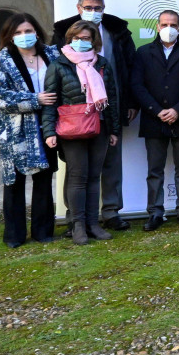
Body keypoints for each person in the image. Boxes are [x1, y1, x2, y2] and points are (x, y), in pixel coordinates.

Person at [51, 0, 136, 231]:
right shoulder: (63, 33)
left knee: (111, 161)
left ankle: (110, 212)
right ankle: (74, 217)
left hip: (109, 107)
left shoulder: (117, 31)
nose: (94, 12)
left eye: (98, 8)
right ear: (79, 8)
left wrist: (130, 102)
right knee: (77, 169)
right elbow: (54, 72)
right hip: (74, 111)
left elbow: (129, 68)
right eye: (88, 7)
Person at [42, 20, 121, 245]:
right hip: (71, 129)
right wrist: (49, 131)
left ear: (94, 41)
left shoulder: (103, 63)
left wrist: (114, 130)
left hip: (101, 126)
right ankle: (77, 226)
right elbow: (50, 102)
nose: (81, 42)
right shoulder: (58, 65)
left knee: (95, 176)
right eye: (77, 38)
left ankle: (93, 223)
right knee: (78, 177)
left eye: (86, 38)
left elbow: (112, 99)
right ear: (69, 40)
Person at [0, 13, 60, 247]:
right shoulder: (0, 60)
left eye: (28, 31)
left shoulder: (52, 54)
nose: (23, 36)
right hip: (14, 130)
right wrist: (35, 99)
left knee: (44, 180)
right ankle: (14, 236)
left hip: (47, 126)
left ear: (37, 31)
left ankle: (43, 232)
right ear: (9, 37)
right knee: (14, 183)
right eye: (17, 33)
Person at [130, 10, 179, 231]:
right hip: (154, 121)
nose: (168, 28)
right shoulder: (143, 52)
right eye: (164, 24)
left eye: (173, 24)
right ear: (157, 26)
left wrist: (178, 110)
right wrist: (156, 110)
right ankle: (155, 212)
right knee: (155, 170)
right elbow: (137, 85)